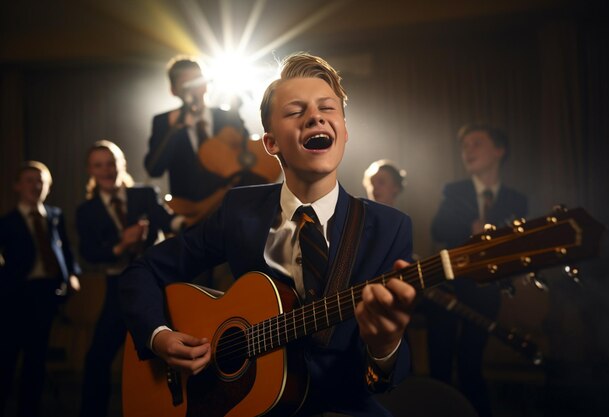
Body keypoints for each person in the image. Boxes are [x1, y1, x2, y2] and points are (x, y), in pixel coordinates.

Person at [119, 52, 418, 417]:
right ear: (271, 144)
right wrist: (159, 336)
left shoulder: (389, 227)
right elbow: (143, 271)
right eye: (296, 111)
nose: (315, 116)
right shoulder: (239, 211)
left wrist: (384, 345)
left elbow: (389, 378)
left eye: (328, 108)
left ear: (344, 131)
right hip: (240, 404)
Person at [426, 123, 528, 417]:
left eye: (476, 144)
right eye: (464, 146)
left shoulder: (516, 200)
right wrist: (470, 229)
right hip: (447, 288)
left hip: (487, 289)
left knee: (472, 361)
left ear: (499, 151)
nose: (467, 151)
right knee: (440, 362)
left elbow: (519, 248)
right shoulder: (454, 190)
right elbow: (438, 229)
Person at [76, 140, 180, 417]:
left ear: (121, 165)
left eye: (111, 163)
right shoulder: (85, 211)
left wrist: (195, 217)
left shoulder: (145, 194)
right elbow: (88, 254)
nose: (107, 170)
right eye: (99, 165)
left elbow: (170, 222)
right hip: (118, 287)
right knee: (98, 359)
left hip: (155, 284)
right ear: (90, 170)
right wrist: (120, 245)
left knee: (156, 356)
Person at [0, 161, 81, 417]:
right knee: (7, 357)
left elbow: (66, 250)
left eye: (41, 181)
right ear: (17, 186)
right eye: (29, 180)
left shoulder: (55, 216)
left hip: (46, 294)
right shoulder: (7, 222)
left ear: (48, 186)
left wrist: (72, 275)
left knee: (36, 359)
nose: (35, 186)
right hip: (16, 295)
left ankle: (29, 410)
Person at [144, 56, 266, 206]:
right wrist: (174, 130)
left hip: (233, 207)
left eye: (197, 79)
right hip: (192, 213)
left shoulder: (227, 116)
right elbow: (154, 169)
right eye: (185, 83)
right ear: (173, 90)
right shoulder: (165, 121)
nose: (194, 87)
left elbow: (251, 158)